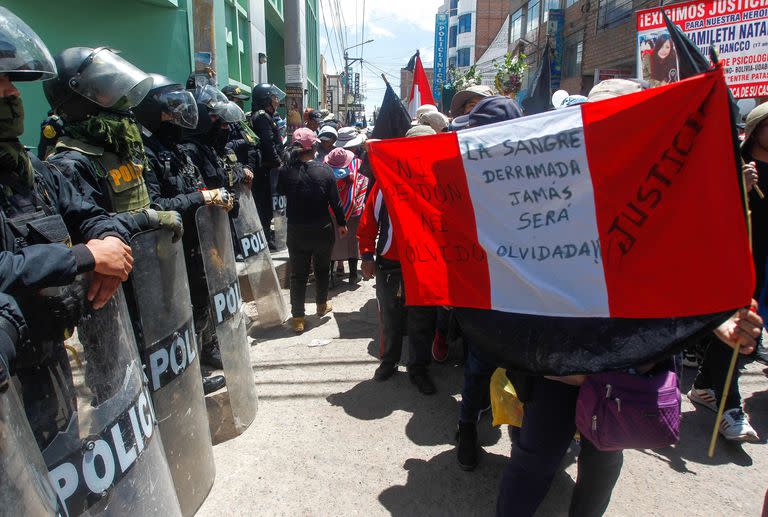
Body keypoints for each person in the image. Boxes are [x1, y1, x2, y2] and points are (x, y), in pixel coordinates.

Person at [0, 7, 134, 446]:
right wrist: (85, 256)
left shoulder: (34, 170)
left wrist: (110, 250)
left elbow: (90, 213)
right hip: (8, 378)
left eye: (11, 84)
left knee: (64, 465)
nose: (9, 95)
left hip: (49, 355)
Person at [134, 73, 230, 393]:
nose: (178, 116)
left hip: (194, 244)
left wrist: (214, 199)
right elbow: (158, 205)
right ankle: (189, 374)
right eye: (170, 110)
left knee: (200, 304)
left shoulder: (178, 149)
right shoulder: (145, 153)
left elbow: (194, 186)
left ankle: (203, 354)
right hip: (168, 252)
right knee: (179, 313)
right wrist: (201, 198)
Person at [43, 47, 183, 240]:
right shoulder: (70, 163)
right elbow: (88, 227)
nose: (124, 100)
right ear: (79, 101)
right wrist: (146, 218)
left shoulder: (122, 148)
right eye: (106, 91)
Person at [452, 96, 524, 471]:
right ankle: (466, 428)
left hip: (526, 301)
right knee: (478, 367)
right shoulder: (464, 175)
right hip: (479, 296)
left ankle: (525, 446)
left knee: (525, 373)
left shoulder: (537, 177)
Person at [358, 126, 438, 395]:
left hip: (427, 264)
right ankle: (389, 361)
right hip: (391, 263)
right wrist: (367, 255)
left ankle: (418, 368)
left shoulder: (441, 180)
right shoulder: (385, 182)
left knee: (422, 319)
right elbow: (368, 221)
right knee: (390, 318)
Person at [278, 127, 347, 333]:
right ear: (314, 147)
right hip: (322, 229)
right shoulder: (324, 170)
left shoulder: (285, 170)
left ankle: (298, 317)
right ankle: (321, 305)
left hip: (296, 230)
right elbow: (335, 202)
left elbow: (280, 191)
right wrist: (342, 224)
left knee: (298, 274)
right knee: (322, 269)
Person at [324, 147, 369, 283]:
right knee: (352, 242)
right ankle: (353, 276)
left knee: (332, 243)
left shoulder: (325, 171)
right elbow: (363, 184)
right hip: (353, 212)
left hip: (331, 211)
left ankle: (330, 277)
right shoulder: (356, 168)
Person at [251, 83, 285, 250]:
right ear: (265, 99)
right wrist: (278, 162)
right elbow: (267, 143)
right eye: (273, 98)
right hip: (265, 170)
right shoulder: (262, 117)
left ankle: (266, 233)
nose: (276, 101)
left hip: (268, 169)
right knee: (264, 204)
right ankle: (264, 236)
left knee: (268, 204)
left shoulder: (265, 116)